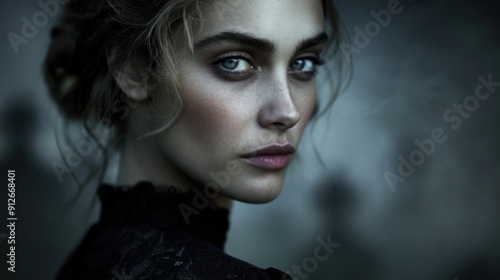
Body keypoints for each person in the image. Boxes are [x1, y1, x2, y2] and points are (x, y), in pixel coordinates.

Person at [44, 0, 348, 278]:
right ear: (134, 70)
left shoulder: (86, 262)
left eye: (303, 64)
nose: (288, 111)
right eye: (235, 63)